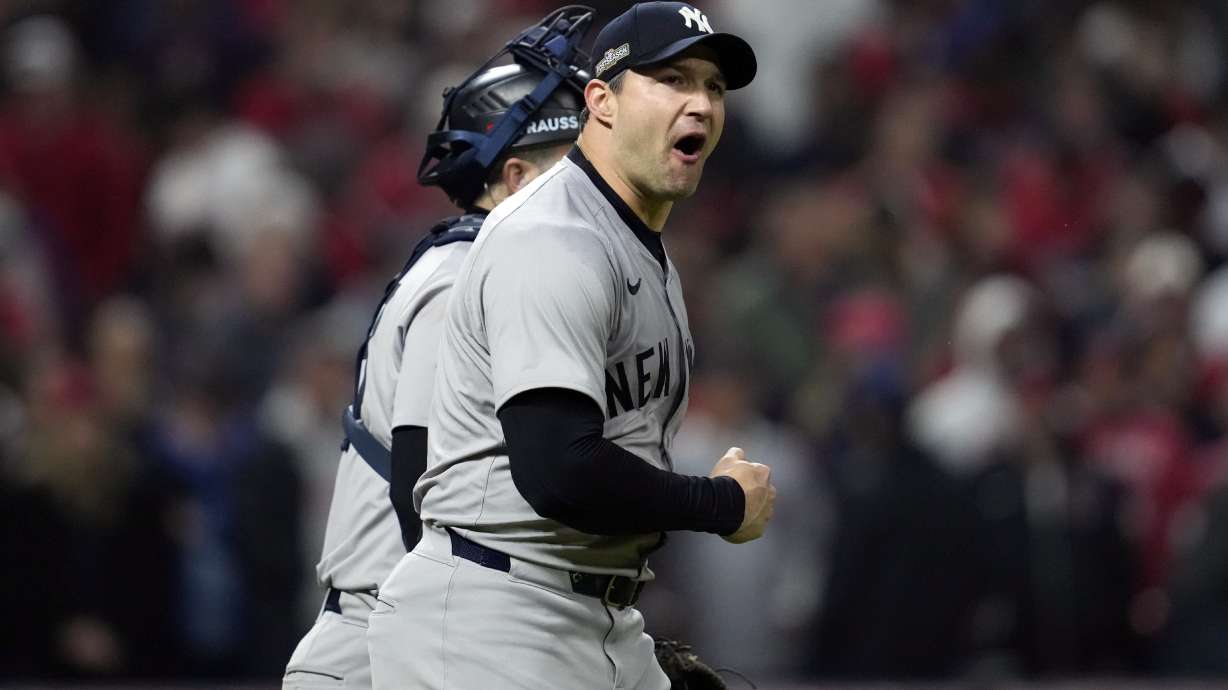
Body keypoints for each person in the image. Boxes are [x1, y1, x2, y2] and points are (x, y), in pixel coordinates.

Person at [366, 4, 774, 689]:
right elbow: (560, 470)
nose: (699, 102)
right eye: (671, 79)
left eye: (712, 87)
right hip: (492, 610)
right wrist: (721, 503)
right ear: (601, 101)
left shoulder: (634, 242)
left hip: (583, 609)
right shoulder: (553, 236)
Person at [281, 8, 593, 689]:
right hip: (384, 648)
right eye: (572, 166)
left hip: (431, 635)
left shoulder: (506, 276)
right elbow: (417, 487)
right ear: (513, 179)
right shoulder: (459, 278)